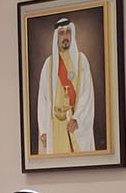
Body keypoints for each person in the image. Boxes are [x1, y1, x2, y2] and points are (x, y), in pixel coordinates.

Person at [36, 17, 96, 153]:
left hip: (73, 124)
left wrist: (77, 119)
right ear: (56, 38)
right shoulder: (49, 65)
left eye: (68, 32)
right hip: (55, 125)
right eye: (61, 33)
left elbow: (87, 95)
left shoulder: (81, 61)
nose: (65, 37)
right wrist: (43, 130)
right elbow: (43, 100)